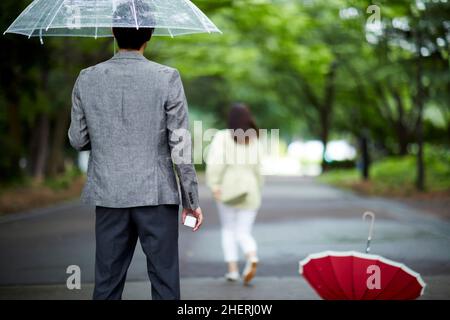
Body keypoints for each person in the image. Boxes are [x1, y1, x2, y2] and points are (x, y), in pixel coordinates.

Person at [68, 1, 203, 300]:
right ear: (150, 34)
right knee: (165, 282)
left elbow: (78, 140)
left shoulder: (87, 78)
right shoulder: (167, 77)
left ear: (113, 32)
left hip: (109, 192)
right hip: (156, 194)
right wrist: (190, 199)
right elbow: (179, 144)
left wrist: (107, 137)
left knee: (106, 284)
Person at [205, 103, 264, 285]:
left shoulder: (223, 137)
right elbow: (259, 170)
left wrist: (214, 185)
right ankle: (251, 254)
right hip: (251, 190)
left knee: (229, 230)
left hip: (228, 189)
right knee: (244, 231)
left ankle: (232, 271)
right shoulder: (255, 139)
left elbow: (216, 163)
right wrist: (258, 189)